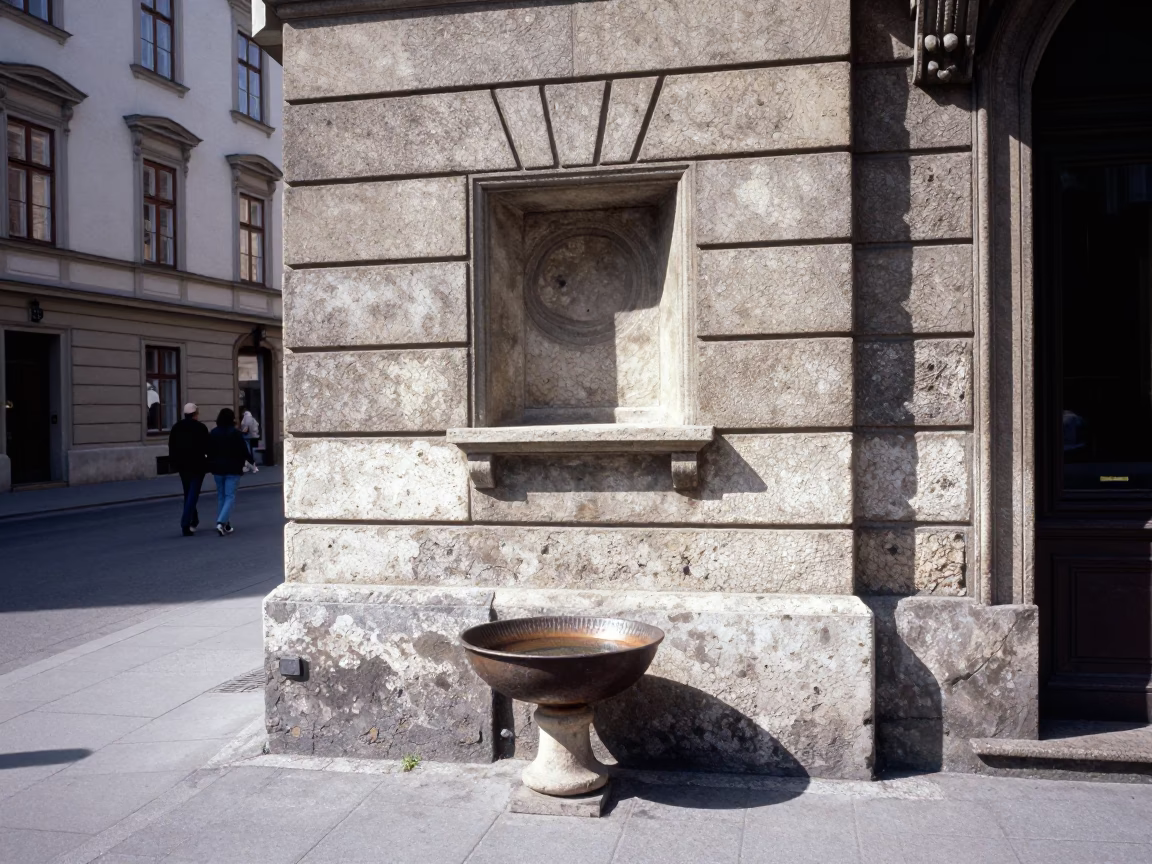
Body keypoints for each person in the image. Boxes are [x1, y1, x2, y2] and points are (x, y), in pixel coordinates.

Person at [167, 403, 210, 537]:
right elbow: (207, 446)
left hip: (182, 465)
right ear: (195, 414)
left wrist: (173, 463)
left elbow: (172, 446)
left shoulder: (176, 427)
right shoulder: (201, 427)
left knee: (188, 492)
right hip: (197, 465)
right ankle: (185, 523)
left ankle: (194, 520)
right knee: (193, 493)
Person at [207, 408, 250, 537]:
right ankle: (221, 522)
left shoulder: (213, 433)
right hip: (233, 468)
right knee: (230, 496)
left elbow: (209, 450)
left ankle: (225, 523)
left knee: (221, 496)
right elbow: (243, 450)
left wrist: (211, 463)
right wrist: (251, 461)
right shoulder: (236, 433)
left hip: (218, 469)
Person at [239, 409, 260, 473]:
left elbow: (245, 428)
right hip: (254, 436)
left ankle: (250, 464)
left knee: (247, 450)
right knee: (252, 449)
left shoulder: (246, 419)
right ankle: (252, 464)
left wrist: (241, 432)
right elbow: (257, 425)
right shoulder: (253, 419)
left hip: (247, 436)